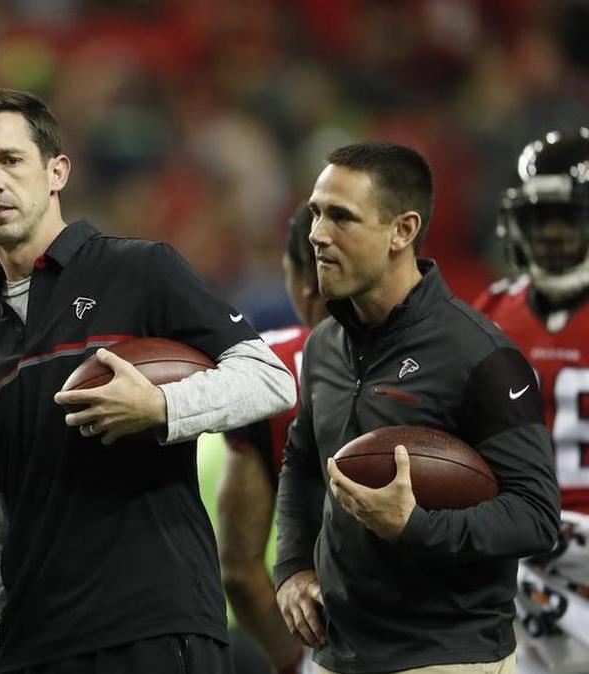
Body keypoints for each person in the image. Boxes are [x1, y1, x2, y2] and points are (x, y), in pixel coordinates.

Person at [0, 88, 296, 674]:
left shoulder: (140, 269)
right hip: (35, 648)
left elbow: (270, 380)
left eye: (11, 160)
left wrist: (161, 406)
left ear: (57, 172)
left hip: (154, 625)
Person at [275, 141, 562, 674]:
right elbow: (302, 466)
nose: (316, 233)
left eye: (341, 217)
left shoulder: (481, 355)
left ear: (402, 231)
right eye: (316, 213)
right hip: (337, 653)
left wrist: (415, 525)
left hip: (447, 656)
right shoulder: (322, 346)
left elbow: (536, 517)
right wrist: (292, 567)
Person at [473, 129, 589, 672]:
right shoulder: (493, 309)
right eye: (540, 220)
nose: (551, 235)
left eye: (567, 218)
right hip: (518, 550)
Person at [219, 203, 326, 674]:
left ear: (302, 277)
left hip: (328, 646)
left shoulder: (273, 368)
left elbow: (240, 570)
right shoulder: (460, 348)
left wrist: (296, 661)